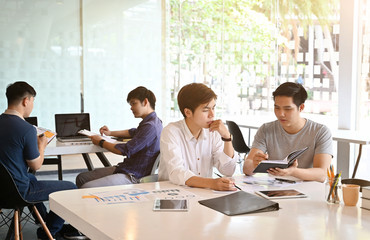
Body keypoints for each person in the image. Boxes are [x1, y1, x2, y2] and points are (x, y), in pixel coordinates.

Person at [0, 81, 86, 240]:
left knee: (31, 177)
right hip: (19, 192)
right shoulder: (26, 128)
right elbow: (36, 164)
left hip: (1, 190)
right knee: (71, 188)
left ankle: (45, 221)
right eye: (33, 101)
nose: (32, 104)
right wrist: (41, 145)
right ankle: (49, 231)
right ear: (26, 100)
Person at [243, 82, 332, 182]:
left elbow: (322, 174)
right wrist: (254, 164)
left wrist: (293, 172)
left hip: (308, 190)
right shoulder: (266, 129)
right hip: (275, 189)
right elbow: (246, 169)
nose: (281, 114)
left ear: (301, 107)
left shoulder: (320, 132)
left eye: (287, 109)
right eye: (277, 108)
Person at [76, 86, 162, 188]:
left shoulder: (150, 126)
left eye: (134, 103)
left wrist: (101, 142)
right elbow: (132, 132)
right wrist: (110, 133)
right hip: (126, 168)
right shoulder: (153, 122)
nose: (131, 108)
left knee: (87, 187)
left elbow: (125, 150)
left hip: (133, 175)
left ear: (145, 102)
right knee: (81, 178)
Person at [158, 83, 238, 191]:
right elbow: (176, 172)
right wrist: (212, 183)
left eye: (213, 108)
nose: (212, 114)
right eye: (205, 110)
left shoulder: (213, 132)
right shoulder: (171, 131)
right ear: (188, 112)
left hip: (203, 194)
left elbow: (228, 171)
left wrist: (227, 138)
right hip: (172, 194)